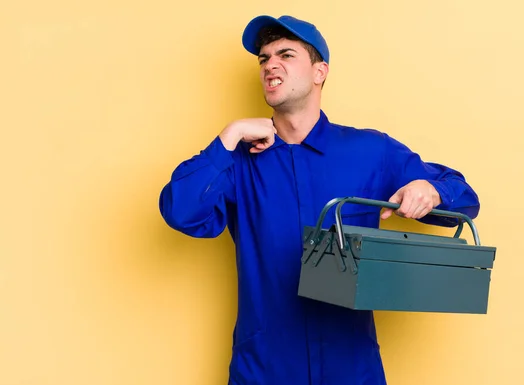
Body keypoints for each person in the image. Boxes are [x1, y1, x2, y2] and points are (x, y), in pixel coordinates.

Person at [159, 14, 480, 385]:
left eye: (285, 54)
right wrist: (228, 137)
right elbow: (181, 212)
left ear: (319, 72)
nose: (270, 65)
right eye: (263, 59)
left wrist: (434, 191)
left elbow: (464, 199)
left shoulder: (370, 151)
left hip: (351, 368)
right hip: (265, 369)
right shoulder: (237, 161)